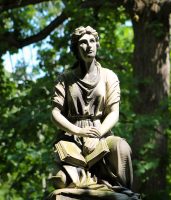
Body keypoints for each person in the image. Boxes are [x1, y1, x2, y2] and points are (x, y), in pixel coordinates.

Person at [51, 26, 133, 190]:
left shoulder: (109, 76)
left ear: (97, 44)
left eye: (92, 41)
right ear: (76, 48)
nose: (88, 45)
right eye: (83, 42)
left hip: (100, 135)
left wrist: (98, 134)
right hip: (71, 138)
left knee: (121, 147)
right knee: (62, 181)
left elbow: (114, 112)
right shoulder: (65, 78)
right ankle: (82, 176)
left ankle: (125, 193)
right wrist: (78, 131)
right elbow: (55, 113)